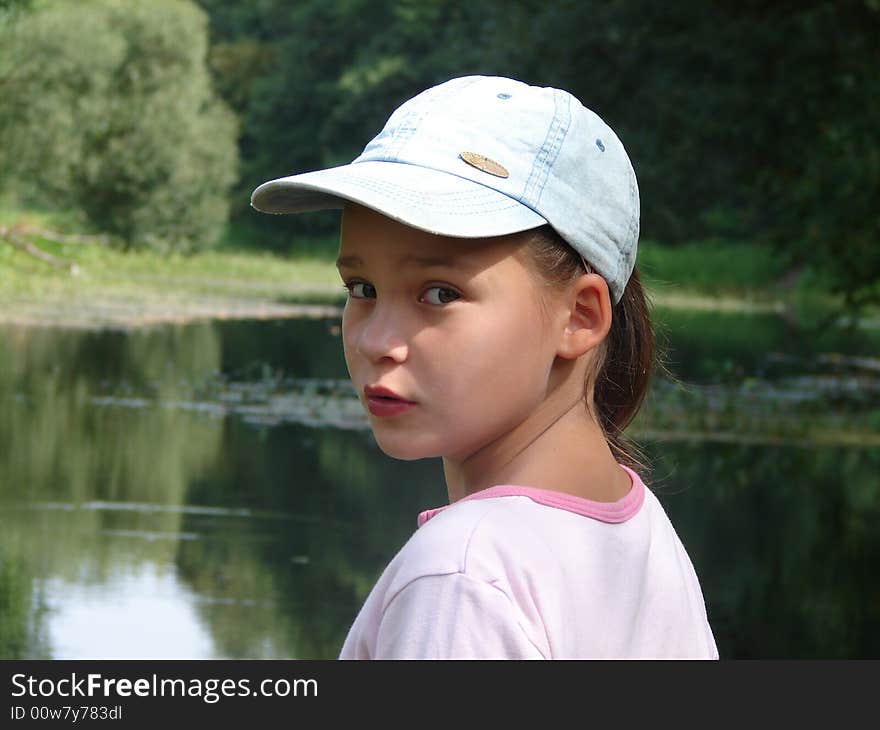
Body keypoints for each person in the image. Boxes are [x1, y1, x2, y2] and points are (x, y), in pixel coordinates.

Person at [250, 75, 718, 659]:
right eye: (362, 286)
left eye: (440, 294)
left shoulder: (462, 578)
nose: (378, 340)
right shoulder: (637, 533)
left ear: (579, 315)